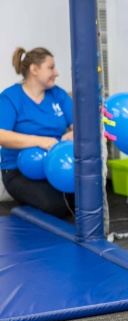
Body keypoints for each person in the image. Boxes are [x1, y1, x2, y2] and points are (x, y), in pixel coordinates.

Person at [0, 47, 74, 218]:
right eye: (51, 68)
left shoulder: (58, 95)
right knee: (55, 206)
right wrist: (40, 141)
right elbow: (2, 136)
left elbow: (79, 127)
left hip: (56, 165)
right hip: (18, 171)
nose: (56, 73)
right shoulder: (10, 97)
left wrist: (73, 135)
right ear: (34, 69)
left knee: (83, 199)